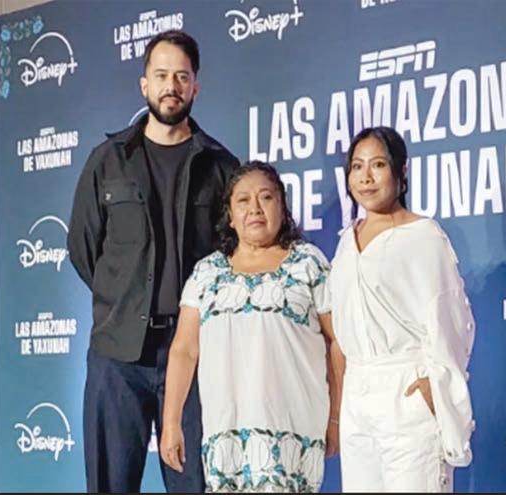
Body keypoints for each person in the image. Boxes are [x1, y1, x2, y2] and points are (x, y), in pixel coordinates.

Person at [67, 30, 239, 493]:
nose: (171, 86)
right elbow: (83, 247)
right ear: (144, 84)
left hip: (194, 354)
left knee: (195, 484)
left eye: (181, 77)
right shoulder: (107, 161)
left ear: (196, 86)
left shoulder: (222, 167)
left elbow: (232, 257)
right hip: (117, 355)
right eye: (161, 75)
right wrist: (125, 296)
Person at [159, 161, 344, 493]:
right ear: (230, 215)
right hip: (227, 440)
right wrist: (171, 422)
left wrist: (336, 417)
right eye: (243, 200)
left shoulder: (309, 263)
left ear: (282, 208)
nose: (255, 208)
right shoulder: (207, 273)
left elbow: (338, 343)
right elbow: (184, 350)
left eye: (266, 197)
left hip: (294, 437)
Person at [328, 127, 476, 492]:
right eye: (357, 166)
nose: (366, 177)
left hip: (406, 394)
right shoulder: (346, 240)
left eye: (378, 164)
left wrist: (435, 386)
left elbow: (451, 321)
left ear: (401, 170)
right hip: (358, 399)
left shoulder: (423, 236)